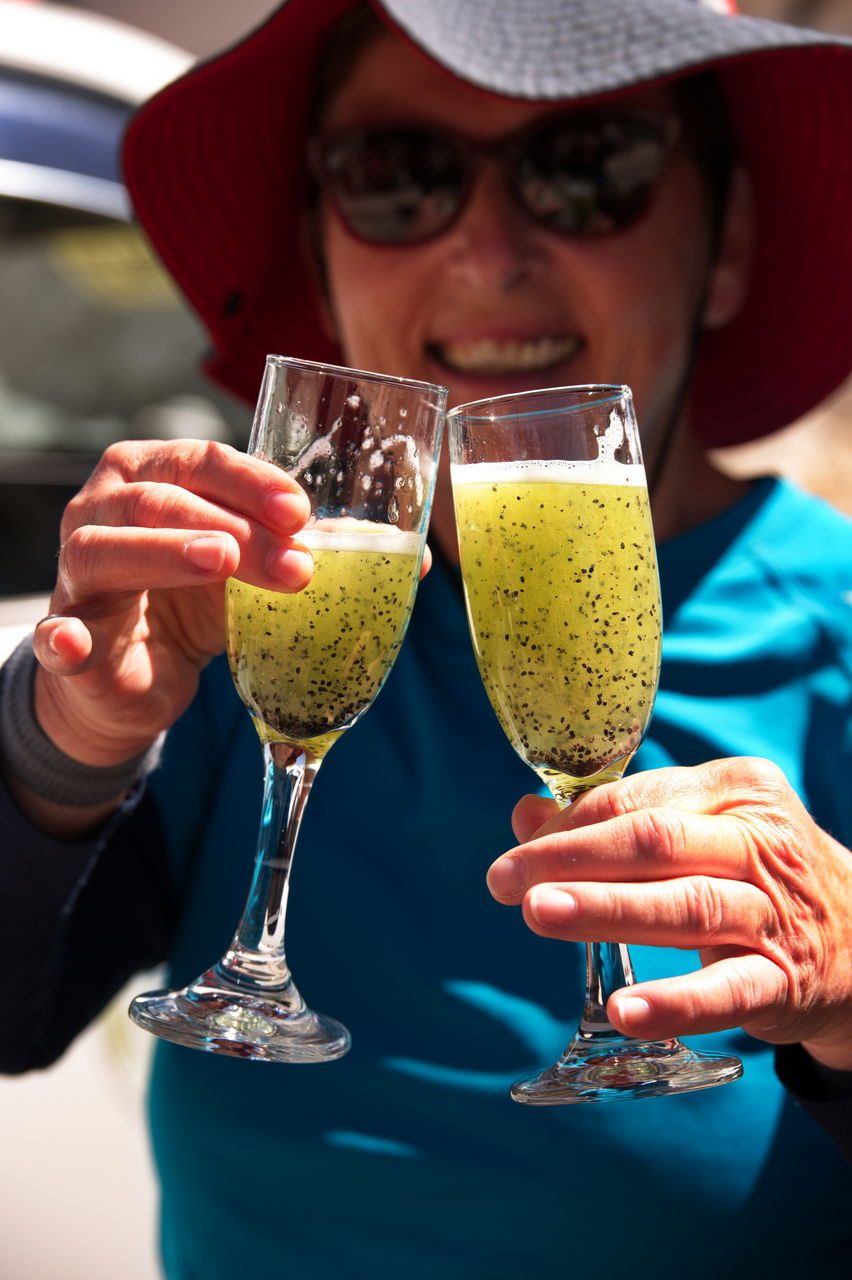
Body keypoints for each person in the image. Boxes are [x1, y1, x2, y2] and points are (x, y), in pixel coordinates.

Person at [2, 0, 852, 1274]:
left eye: (587, 168)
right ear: (321, 250)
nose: (486, 250)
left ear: (724, 240)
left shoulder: (833, 622)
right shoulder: (252, 607)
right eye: (398, 178)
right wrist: (68, 737)